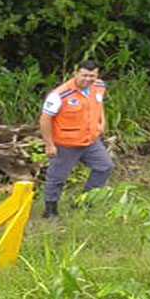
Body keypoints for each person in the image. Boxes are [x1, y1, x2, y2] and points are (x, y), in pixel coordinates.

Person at [39, 60, 113, 219]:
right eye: (84, 75)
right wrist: (49, 145)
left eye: (92, 76)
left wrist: (102, 122)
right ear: (76, 74)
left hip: (91, 140)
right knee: (57, 178)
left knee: (104, 166)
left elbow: (99, 106)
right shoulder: (60, 94)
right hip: (66, 143)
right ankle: (50, 210)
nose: (88, 79)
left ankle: (85, 201)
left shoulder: (99, 86)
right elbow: (45, 119)